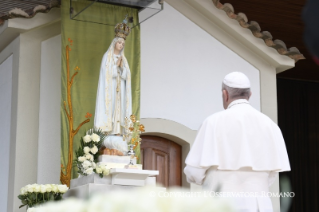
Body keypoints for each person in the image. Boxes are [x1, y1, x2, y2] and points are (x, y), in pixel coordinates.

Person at [184, 72, 290, 212]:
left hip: (220, 203)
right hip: (259, 205)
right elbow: (271, 176)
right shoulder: (270, 125)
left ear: (225, 94)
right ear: (250, 95)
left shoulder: (213, 122)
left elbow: (194, 173)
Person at [94, 19, 132, 154]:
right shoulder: (107, 57)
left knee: (119, 110)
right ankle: (109, 131)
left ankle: (118, 132)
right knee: (111, 110)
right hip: (110, 90)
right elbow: (106, 74)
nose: (121, 46)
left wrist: (122, 68)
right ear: (115, 43)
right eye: (119, 43)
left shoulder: (124, 59)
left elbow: (127, 76)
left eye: (123, 44)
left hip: (120, 90)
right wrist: (116, 67)